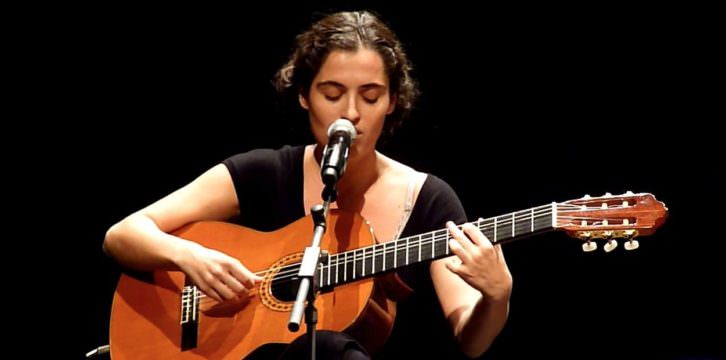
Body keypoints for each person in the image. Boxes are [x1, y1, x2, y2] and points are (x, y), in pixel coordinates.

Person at [103, 10, 512, 359]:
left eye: (370, 97)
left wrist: (496, 297)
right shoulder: (263, 172)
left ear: (392, 101)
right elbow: (122, 235)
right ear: (303, 95)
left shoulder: (429, 200)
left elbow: (470, 339)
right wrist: (188, 257)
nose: (351, 113)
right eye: (332, 94)